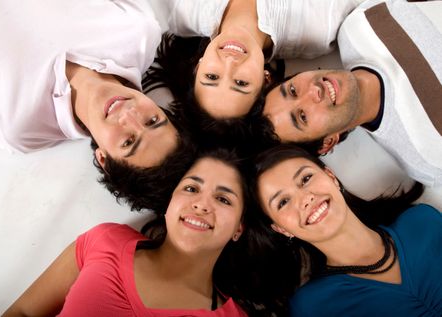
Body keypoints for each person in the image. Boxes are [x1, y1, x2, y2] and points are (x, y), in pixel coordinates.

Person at [2, 148, 263, 316]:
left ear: (239, 228)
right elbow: (23, 312)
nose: (201, 204)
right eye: (192, 189)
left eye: (224, 199)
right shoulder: (106, 240)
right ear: (170, 203)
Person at [0, 0, 196, 211]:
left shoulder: (18, 127)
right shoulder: (138, 32)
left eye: (128, 141)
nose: (129, 115)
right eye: (152, 120)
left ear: (103, 159)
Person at [262, 0, 442, 187]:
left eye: (292, 90)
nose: (313, 91)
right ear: (327, 142)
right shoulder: (427, 157)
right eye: (302, 116)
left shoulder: (357, 27)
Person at [252, 144, 441, 316]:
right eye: (283, 202)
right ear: (281, 229)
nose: (305, 198)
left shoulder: (423, 221)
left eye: (306, 178)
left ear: (331, 176)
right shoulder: (312, 307)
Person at [144, 0, 363, 140]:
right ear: (265, 79)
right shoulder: (318, 29)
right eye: (241, 83)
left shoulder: (176, 11)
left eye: (212, 76)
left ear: (198, 66)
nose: (230, 62)